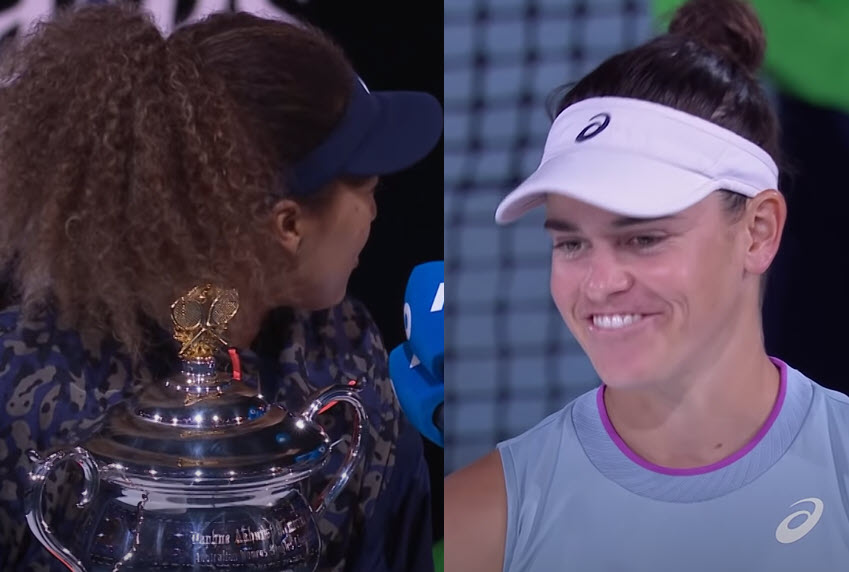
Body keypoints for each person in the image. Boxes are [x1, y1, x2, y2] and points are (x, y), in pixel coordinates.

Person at [0, 3, 442, 571]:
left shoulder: (349, 351)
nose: (377, 208)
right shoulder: (16, 388)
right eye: (365, 184)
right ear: (288, 226)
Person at [444, 0, 849, 570]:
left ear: (758, 232)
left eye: (644, 239)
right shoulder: (477, 519)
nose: (600, 284)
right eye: (571, 242)